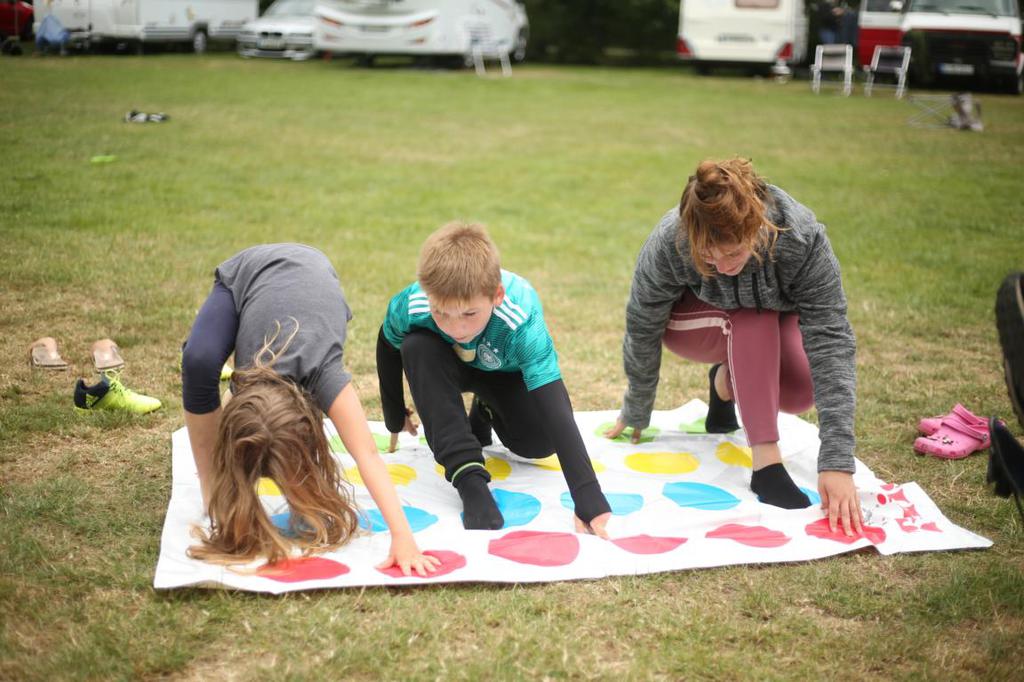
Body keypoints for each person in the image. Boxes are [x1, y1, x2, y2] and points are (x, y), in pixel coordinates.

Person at [605, 158, 864, 535]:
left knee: (798, 393)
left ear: (757, 229)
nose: (720, 265)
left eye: (732, 254)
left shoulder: (801, 238)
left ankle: (726, 384)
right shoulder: (671, 238)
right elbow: (643, 319)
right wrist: (638, 403)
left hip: (769, 321)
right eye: (707, 256)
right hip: (694, 325)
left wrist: (837, 462)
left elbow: (831, 335)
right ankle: (766, 465)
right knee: (752, 316)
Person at [181, 243, 439, 575]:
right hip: (249, 273)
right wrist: (224, 488)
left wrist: (403, 536)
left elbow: (368, 456)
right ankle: (211, 485)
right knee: (198, 361)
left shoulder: (324, 374)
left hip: (313, 272)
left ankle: (294, 486)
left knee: (292, 476)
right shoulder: (249, 380)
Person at [376, 222, 612, 535]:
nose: (455, 328)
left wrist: (587, 495)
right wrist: (394, 416)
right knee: (416, 345)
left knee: (539, 443)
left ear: (496, 295)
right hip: (444, 366)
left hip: (502, 375)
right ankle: (469, 480)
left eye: (469, 314)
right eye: (441, 312)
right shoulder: (413, 303)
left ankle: (485, 409)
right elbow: (387, 344)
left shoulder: (521, 317)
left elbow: (553, 400)